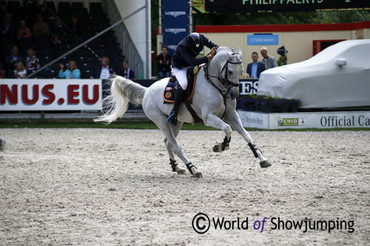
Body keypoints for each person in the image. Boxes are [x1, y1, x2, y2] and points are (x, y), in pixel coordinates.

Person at [167, 32, 218, 124]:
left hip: (192, 65)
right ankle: (174, 111)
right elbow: (192, 61)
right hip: (180, 67)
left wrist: (218, 49)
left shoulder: (201, 38)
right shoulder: (182, 46)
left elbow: (214, 46)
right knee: (184, 84)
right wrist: (209, 56)